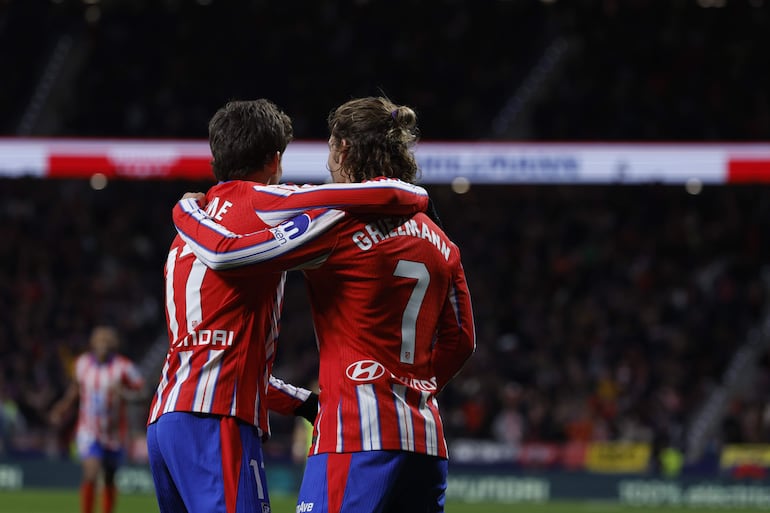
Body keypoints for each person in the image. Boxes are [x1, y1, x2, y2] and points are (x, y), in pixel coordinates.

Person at [171, 96, 476, 513]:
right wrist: (415, 391)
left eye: (329, 149)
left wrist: (190, 212)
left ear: (344, 149)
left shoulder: (335, 221)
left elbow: (236, 253)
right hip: (425, 440)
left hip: (354, 433)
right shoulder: (444, 243)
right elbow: (461, 341)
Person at [50, 325, 145, 513]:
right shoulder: (82, 363)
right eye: (100, 340)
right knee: (91, 472)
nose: (103, 344)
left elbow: (143, 393)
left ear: (113, 344)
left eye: (107, 341)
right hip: (89, 429)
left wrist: (124, 394)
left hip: (116, 432)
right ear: (93, 343)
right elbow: (76, 389)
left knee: (109, 477)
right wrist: (62, 407)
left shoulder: (124, 367)